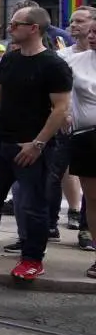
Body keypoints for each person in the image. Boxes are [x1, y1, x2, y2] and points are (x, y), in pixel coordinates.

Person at [0, 6, 72, 281]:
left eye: (15, 24)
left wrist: (37, 144)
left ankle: (32, 259)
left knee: (32, 205)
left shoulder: (54, 64)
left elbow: (61, 109)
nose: (10, 28)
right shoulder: (10, 60)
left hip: (31, 147)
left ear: (34, 28)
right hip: (2, 142)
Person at [64, 19, 96, 272]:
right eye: (92, 31)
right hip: (87, 137)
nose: (92, 36)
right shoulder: (75, 60)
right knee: (93, 200)